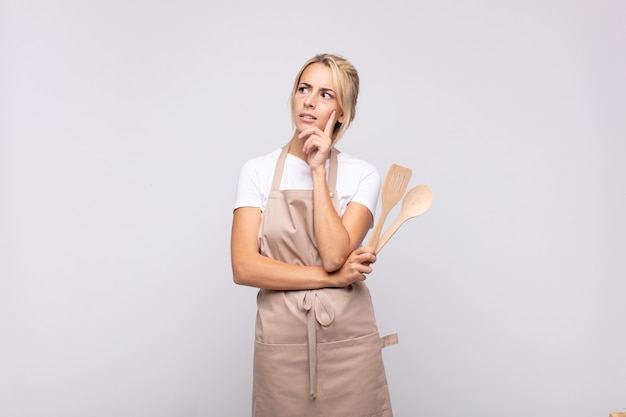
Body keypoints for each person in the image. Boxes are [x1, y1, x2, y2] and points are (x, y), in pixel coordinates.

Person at [231, 53, 397, 417]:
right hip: (283, 343)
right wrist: (330, 279)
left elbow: (336, 253)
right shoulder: (257, 171)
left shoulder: (362, 175)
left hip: (348, 346)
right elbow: (244, 267)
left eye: (325, 94)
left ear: (342, 112)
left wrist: (318, 170)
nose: (309, 100)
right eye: (303, 89)